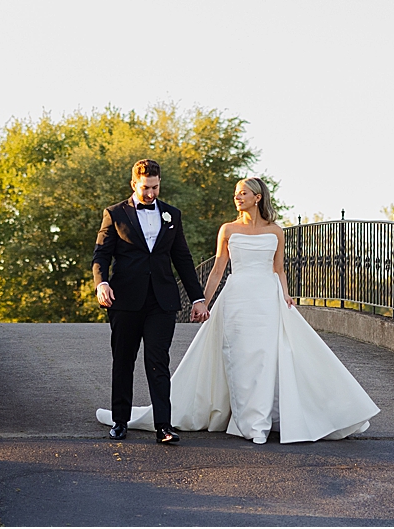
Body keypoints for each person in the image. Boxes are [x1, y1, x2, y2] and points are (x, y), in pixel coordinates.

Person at [97, 176, 379, 444]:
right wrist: (202, 302)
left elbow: (279, 269)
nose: (237, 197)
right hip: (237, 298)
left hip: (267, 299)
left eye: (242, 193)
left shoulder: (276, 231)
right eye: (236, 193)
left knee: (267, 357)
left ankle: (261, 421)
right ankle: (247, 422)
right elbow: (218, 269)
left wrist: (286, 295)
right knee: (241, 358)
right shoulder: (228, 229)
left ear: (257, 197)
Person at [91, 158, 207, 445]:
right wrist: (101, 283)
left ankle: (164, 426)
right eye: (146, 188)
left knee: (158, 361)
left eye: (155, 187)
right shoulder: (115, 213)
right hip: (124, 299)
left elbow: (182, 257)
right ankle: (120, 421)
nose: (151, 193)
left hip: (162, 301)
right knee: (124, 361)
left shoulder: (172, 215)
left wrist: (198, 298)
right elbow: (101, 255)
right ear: (134, 184)